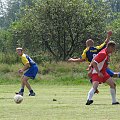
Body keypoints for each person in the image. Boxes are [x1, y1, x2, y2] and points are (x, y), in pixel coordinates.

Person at [86, 41, 119, 105]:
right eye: (113, 48)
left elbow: (94, 59)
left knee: (113, 84)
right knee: (95, 87)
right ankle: (88, 100)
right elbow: (95, 63)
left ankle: (114, 101)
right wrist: (98, 72)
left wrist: (90, 65)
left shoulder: (107, 52)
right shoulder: (103, 53)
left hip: (103, 72)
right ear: (109, 47)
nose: (114, 50)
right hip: (97, 72)